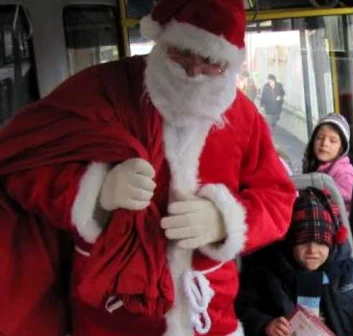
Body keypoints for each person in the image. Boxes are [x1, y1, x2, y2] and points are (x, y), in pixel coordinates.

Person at [0, 0, 297, 335]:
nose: (193, 70)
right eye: (181, 53)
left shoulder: (243, 117)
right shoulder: (104, 90)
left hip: (209, 316)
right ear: (162, 40)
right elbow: (22, 165)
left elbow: (278, 198)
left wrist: (223, 221)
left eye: (211, 61)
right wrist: (95, 193)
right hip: (111, 314)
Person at [236, 187, 353, 336]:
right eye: (303, 242)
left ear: (333, 242)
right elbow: (242, 308)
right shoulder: (266, 275)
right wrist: (266, 325)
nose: (312, 250)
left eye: (321, 243)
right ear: (290, 242)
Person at [302, 113, 353, 211]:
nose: (324, 144)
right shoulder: (315, 165)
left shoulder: (345, 173)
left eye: (332, 141)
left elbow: (348, 205)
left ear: (342, 148)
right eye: (320, 138)